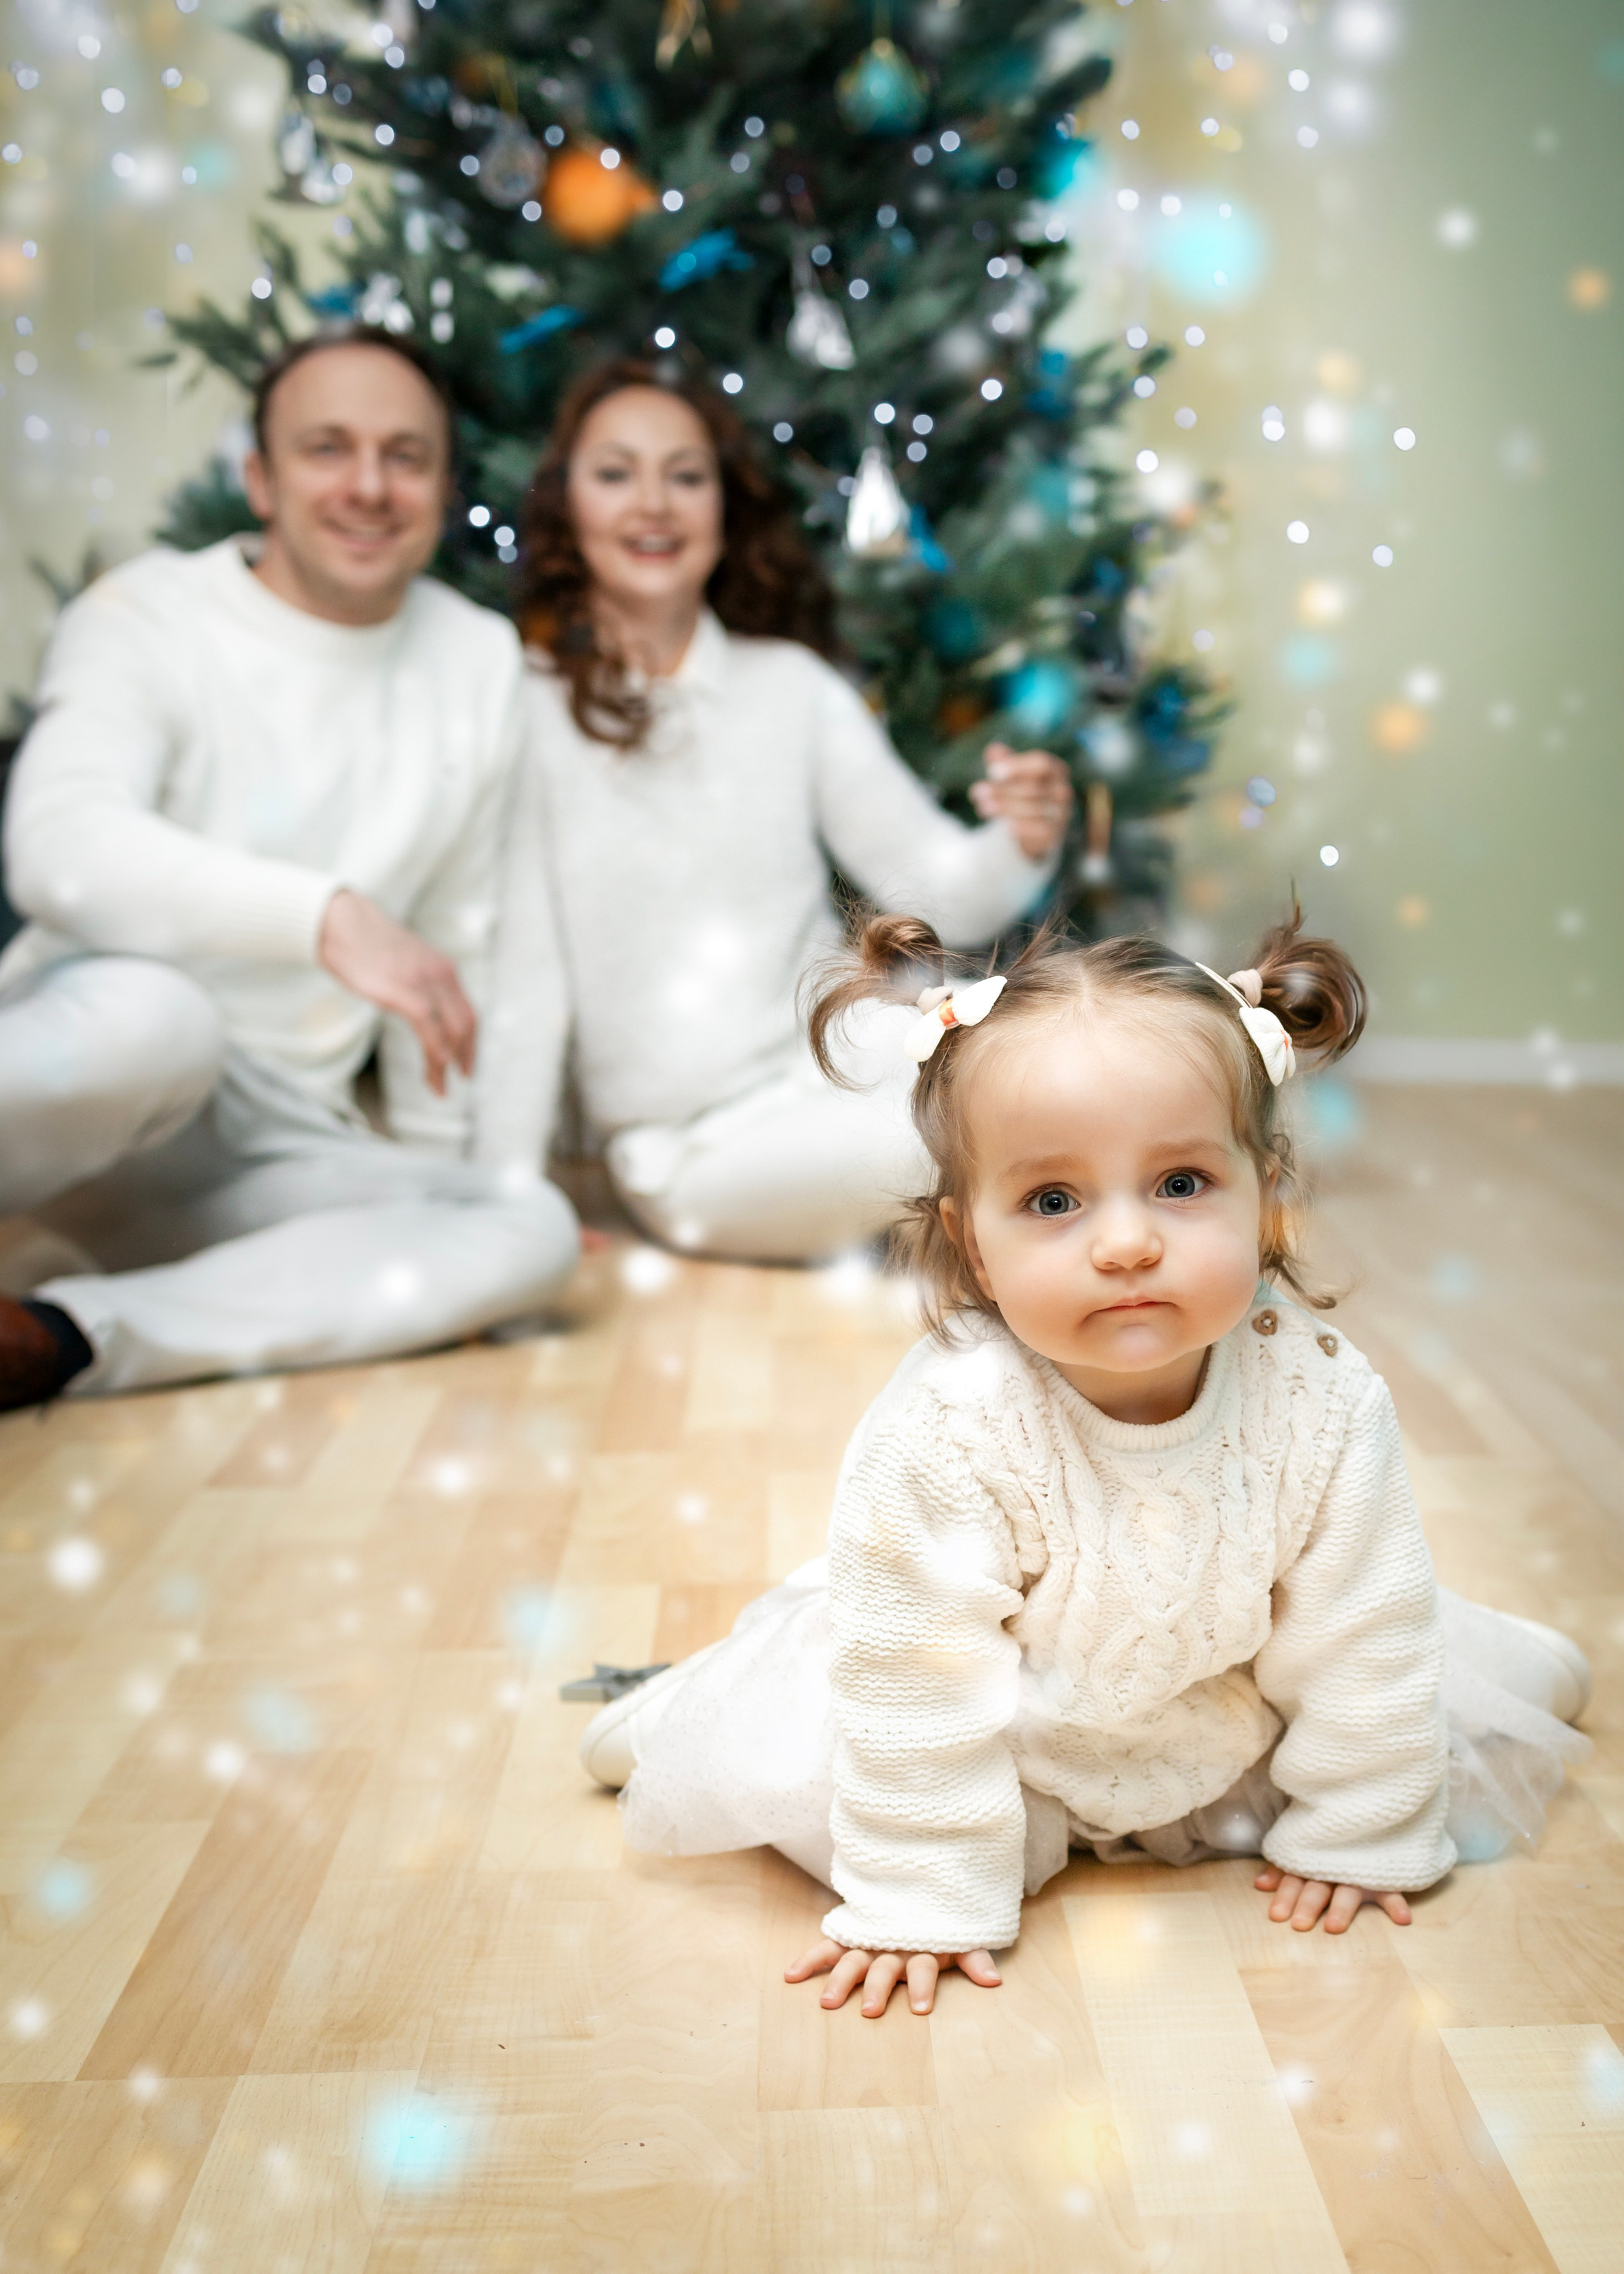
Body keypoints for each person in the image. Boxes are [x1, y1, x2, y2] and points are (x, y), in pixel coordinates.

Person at [577, 908, 1592, 2016]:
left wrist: (1362, 1826)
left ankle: (1500, 1674)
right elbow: (919, 1676)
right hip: (998, 1722)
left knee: (1425, 1673)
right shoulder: (954, 1424)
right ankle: (675, 1708)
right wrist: (925, 1892)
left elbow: (1359, 1630)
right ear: (974, 1241)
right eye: (1054, 1202)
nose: (1125, 1243)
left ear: (1266, 1197)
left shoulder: (1323, 1399)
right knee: (813, 1754)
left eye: (1181, 1184)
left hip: (1218, 1698)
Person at [0, 326, 577, 1407]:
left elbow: (452, 963)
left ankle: (59, 1337)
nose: (369, 486)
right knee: (162, 1021)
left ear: (444, 490)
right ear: (260, 481)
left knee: (523, 1226)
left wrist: (442, 1181)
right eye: (328, 449)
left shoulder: (474, 658)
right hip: (78, 1065)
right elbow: (56, 850)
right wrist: (325, 917)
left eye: (406, 457)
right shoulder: (143, 617)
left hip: (251, 1149)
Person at [515, 356, 1075, 1263]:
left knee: (1080, 1054)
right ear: (564, 508)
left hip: (858, 1053)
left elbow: (941, 891)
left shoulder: (789, 686)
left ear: (724, 510)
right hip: (696, 1146)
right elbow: (513, 971)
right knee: (967, 1128)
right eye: (615, 473)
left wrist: (1022, 838)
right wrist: (510, 1186)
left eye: (686, 476)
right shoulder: (522, 708)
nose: (653, 503)